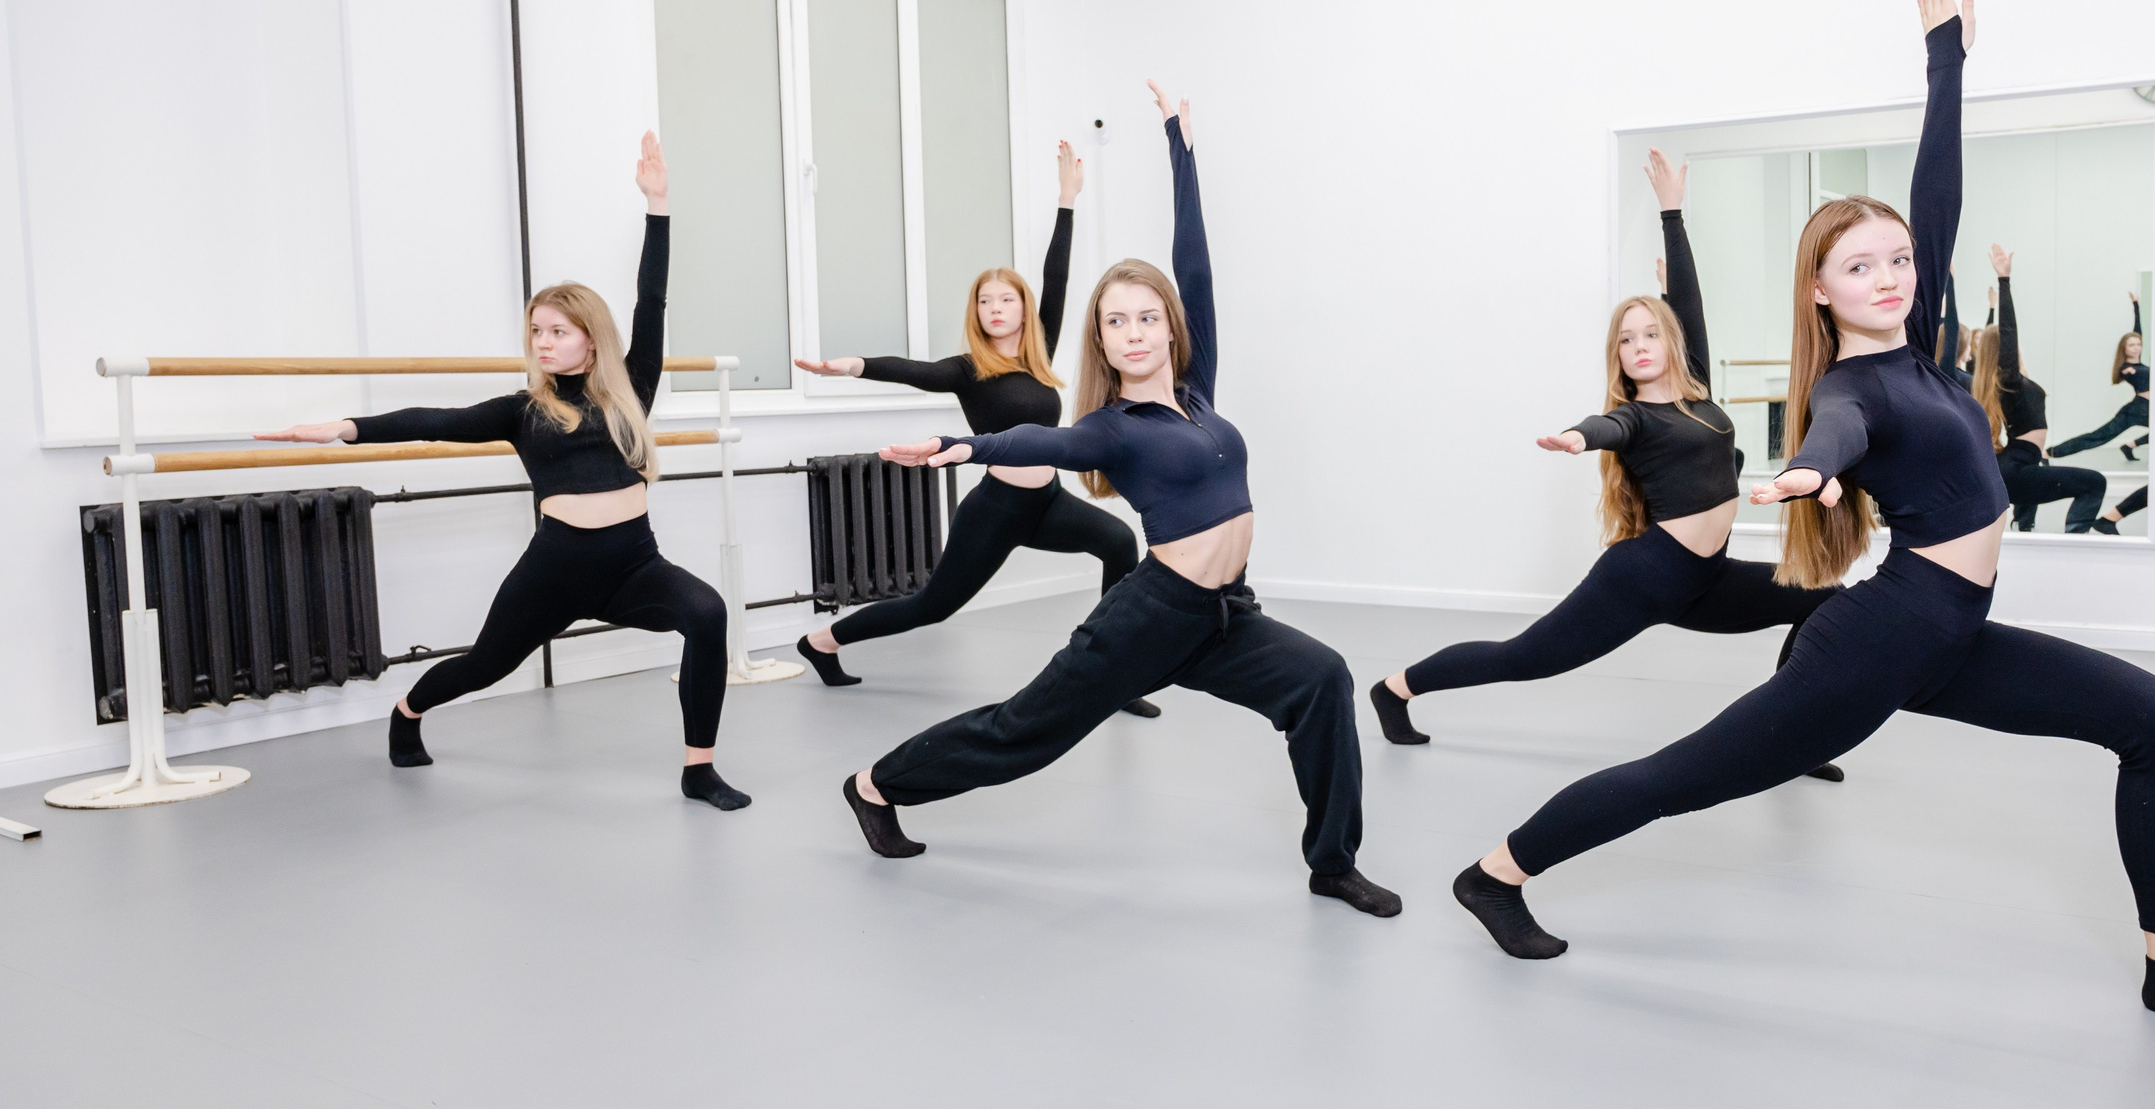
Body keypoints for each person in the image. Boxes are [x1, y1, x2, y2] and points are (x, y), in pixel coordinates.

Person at [1447, 0, 2155, 1048]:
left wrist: (1946, 58)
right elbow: (1834, 437)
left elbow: (1933, 195)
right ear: (1819, 289)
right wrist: (1805, 471)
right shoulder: (1852, 387)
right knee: (1683, 778)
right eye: (1861, 265)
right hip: (1878, 641)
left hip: (1944, 634)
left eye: (1896, 259)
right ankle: (1494, 871)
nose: (1890, 274)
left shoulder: (1924, 341)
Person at [844, 85, 1399, 919]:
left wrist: (1180, 145)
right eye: (1115, 322)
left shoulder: (1200, 392)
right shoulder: (1112, 427)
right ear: (1099, 340)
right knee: (1022, 735)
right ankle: (875, 783)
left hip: (1225, 614)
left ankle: (1332, 862)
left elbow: (1196, 265)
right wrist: (962, 446)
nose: (1134, 332)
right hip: (1149, 616)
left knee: (1321, 679)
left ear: (1170, 328)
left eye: (1147, 317)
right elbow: (1043, 445)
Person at [257, 134, 749, 810]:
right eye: (537, 332)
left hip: (635, 565)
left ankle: (699, 769)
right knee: (486, 665)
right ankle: (408, 710)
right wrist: (346, 428)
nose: (543, 342)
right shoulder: (522, 410)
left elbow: (652, 301)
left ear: (590, 336)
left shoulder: (632, 385)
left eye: (557, 330)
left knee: (708, 613)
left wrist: (658, 204)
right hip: (555, 570)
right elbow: (433, 419)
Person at [1369, 148, 1843, 782]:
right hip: (1644, 578)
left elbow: (1691, 303)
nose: (1639, 346)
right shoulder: (1635, 418)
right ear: (1617, 357)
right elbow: (1608, 426)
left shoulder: (1697, 391)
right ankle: (1396, 688)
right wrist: (1578, 436)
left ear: (1669, 341)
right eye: (1626, 339)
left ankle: (1792, 737)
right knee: (1527, 656)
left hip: (1707, 578)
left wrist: (1672, 212)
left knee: (1821, 600)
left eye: (1650, 333)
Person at [791, 141, 1155, 717]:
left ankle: (1106, 672)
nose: (995, 308)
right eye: (985, 301)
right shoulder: (969, 370)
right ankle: (820, 642)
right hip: (997, 509)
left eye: (1005, 299)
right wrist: (849, 366)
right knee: (931, 606)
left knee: (1119, 543)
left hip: (1047, 502)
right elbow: (911, 371)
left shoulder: (1040, 354)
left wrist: (1067, 200)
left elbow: (1055, 277)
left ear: (1022, 307)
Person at [1975, 246, 2107, 533]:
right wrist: (2005, 280)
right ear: (2003, 353)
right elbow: (2007, 334)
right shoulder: (2008, 381)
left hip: (2020, 463)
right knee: (2095, 482)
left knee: (2035, 501)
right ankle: (2076, 544)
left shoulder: (2010, 383)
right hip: (2016, 467)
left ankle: (2027, 529)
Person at [2051, 294, 2150, 461]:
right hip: (2137, 410)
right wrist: (2128, 372)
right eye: (2131, 345)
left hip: (2147, 408)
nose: (2136, 348)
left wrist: (2136, 305)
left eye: (2138, 344)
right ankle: (2050, 452)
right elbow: (2126, 371)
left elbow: (2137, 331)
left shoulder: (2139, 363)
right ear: (2124, 349)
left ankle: (2130, 445)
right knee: (2097, 437)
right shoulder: (2126, 368)